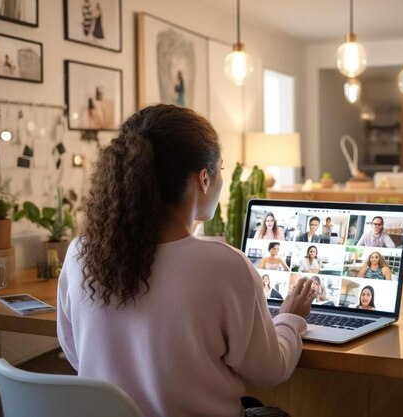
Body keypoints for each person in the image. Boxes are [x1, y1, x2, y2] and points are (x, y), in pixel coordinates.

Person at [57, 104, 315, 417]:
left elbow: (77, 352)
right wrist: (290, 318)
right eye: (220, 168)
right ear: (204, 179)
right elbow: (269, 371)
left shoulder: (79, 254)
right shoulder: (224, 265)